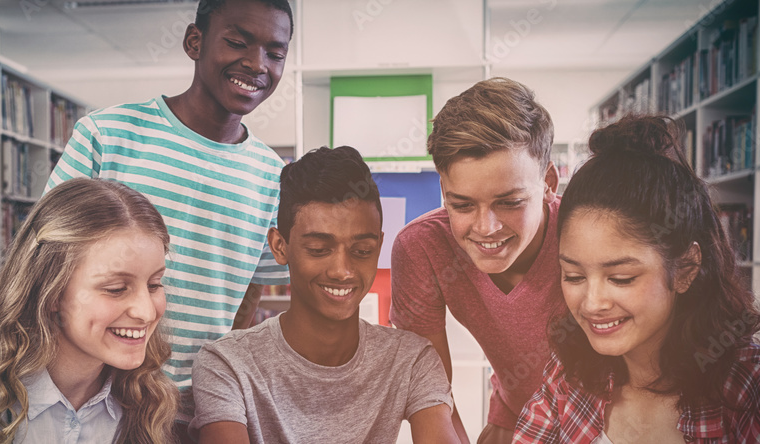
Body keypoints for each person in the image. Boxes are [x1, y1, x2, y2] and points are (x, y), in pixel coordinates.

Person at [44, 0, 294, 429]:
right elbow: (45, 261)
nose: (257, 64)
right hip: (96, 397)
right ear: (194, 42)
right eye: (237, 42)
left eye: (275, 53)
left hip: (199, 407)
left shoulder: (273, 176)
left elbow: (254, 284)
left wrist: (217, 369)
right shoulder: (106, 134)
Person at [514, 115, 760, 443]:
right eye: (574, 275)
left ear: (686, 269)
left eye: (621, 278)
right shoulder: (568, 376)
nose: (592, 302)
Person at [189, 146, 459, 444]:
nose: (342, 271)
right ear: (280, 246)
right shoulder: (227, 364)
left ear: (378, 248)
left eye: (362, 251)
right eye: (319, 250)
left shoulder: (412, 360)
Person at [0, 178, 178, 444]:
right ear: (50, 291)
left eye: (154, 284)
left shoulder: (145, 402)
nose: (146, 312)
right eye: (115, 288)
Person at [389, 77, 561, 443]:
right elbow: (430, 392)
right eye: (462, 205)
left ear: (549, 181)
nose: (486, 228)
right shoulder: (422, 248)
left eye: (510, 202)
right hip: (520, 419)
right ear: (442, 190)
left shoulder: (587, 232)